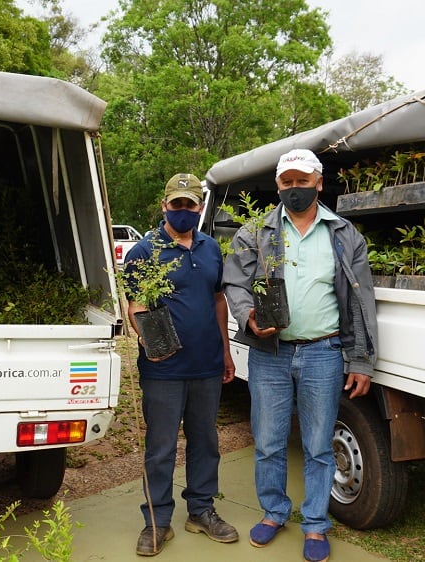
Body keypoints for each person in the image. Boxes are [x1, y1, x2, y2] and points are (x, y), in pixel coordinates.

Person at [222, 149, 378, 562]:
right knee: (270, 441)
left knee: (318, 445)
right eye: (287, 182)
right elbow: (235, 284)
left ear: (319, 183)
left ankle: (314, 524)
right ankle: (274, 512)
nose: (294, 189)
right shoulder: (255, 231)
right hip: (269, 354)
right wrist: (249, 316)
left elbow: (363, 302)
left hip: (323, 353)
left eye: (302, 181)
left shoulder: (344, 234)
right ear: (278, 186)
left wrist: (361, 360)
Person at [123, 172, 238, 557]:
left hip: (206, 364)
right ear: (164, 206)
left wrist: (225, 350)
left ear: (200, 209)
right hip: (164, 369)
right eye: (177, 205)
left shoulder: (210, 249)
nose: (184, 211)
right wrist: (146, 339)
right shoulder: (144, 252)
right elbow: (136, 305)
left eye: (191, 205)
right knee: (160, 447)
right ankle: (156, 522)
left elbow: (218, 300)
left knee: (206, 442)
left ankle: (201, 511)